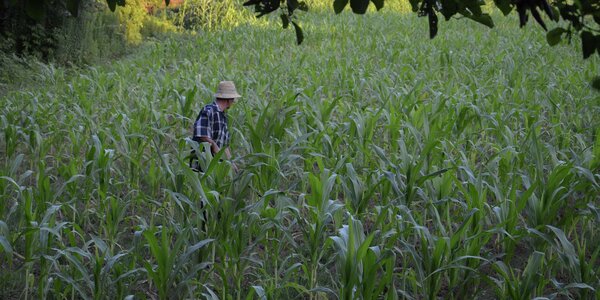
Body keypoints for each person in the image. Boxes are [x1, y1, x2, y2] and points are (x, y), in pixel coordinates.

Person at [190, 80, 240, 172]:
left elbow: (225, 146)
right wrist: (214, 146)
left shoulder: (223, 117)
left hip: (215, 167)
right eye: (233, 100)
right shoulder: (209, 110)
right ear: (229, 100)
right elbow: (201, 133)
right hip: (202, 164)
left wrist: (232, 163)